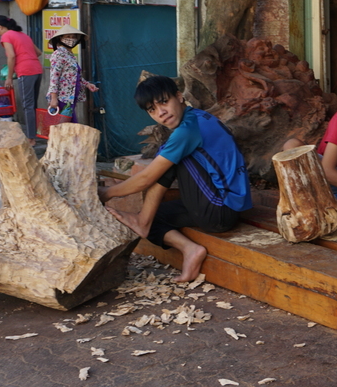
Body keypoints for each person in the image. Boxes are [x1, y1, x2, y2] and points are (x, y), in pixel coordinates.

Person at [98, 75, 252, 283]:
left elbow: (146, 179)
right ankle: (190, 249)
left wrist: (105, 193)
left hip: (221, 208)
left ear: (179, 97)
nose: (161, 113)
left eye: (163, 102)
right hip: (222, 206)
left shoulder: (188, 130)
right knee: (155, 218)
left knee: (170, 162)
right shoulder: (194, 118)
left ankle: (142, 221)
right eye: (152, 110)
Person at [0, 15, 43, 146]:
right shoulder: (23, 35)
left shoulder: (6, 36)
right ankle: (34, 134)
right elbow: (38, 52)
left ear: (0, 27)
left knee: (28, 106)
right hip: (37, 69)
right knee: (33, 105)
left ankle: (31, 139)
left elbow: (12, 56)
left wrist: (9, 78)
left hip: (26, 71)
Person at [45, 25, 98, 121]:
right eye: (67, 37)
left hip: (71, 97)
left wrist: (87, 84)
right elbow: (54, 77)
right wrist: (54, 98)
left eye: (73, 37)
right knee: (65, 128)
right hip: (62, 98)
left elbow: (75, 76)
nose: (71, 39)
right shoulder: (59, 54)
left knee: (69, 128)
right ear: (60, 38)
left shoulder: (70, 55)